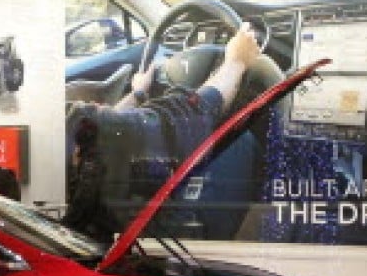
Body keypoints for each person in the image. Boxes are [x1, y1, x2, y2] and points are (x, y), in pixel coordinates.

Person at [62, 22, 263, 241]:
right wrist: (236, 62)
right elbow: (188, 119)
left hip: (82, 226)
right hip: (123, 244)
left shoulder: (57, 127)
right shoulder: (71, 126)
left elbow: (102, 130)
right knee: (238, 141)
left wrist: (138, 94)